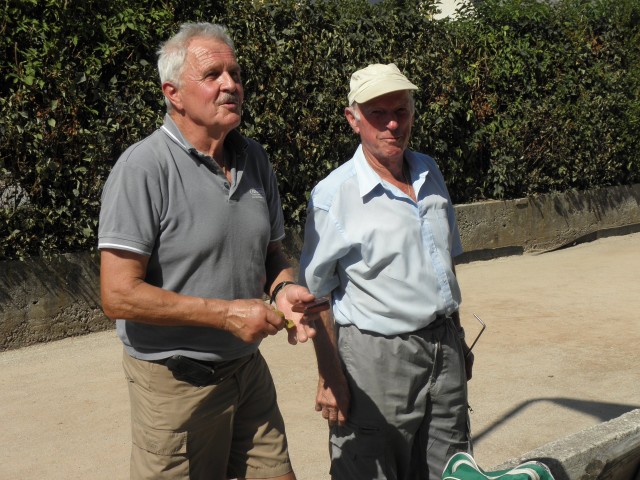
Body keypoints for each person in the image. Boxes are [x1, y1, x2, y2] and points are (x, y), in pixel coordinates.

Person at [98, 22, 316, 480]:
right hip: (175, 385)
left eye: (234, 73)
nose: (230, 84)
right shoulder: (143, 168)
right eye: (213, 74)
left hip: (246, 371)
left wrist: (284, 289)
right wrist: (225, 315)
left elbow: (272, 254)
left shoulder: (254, 159)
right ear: (174, 94)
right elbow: (118, 296)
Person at [298, 63, 475, 480]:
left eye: (401, 111)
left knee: (451, 468)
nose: (393, 124)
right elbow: (315, 297)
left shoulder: (430, 171)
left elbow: (443, 264)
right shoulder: (333, 196)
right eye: (378, 114)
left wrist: (457, 334)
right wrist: (329, 374)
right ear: (353, 118)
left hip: (444, 346)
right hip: (376, 359)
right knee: (372, 469)